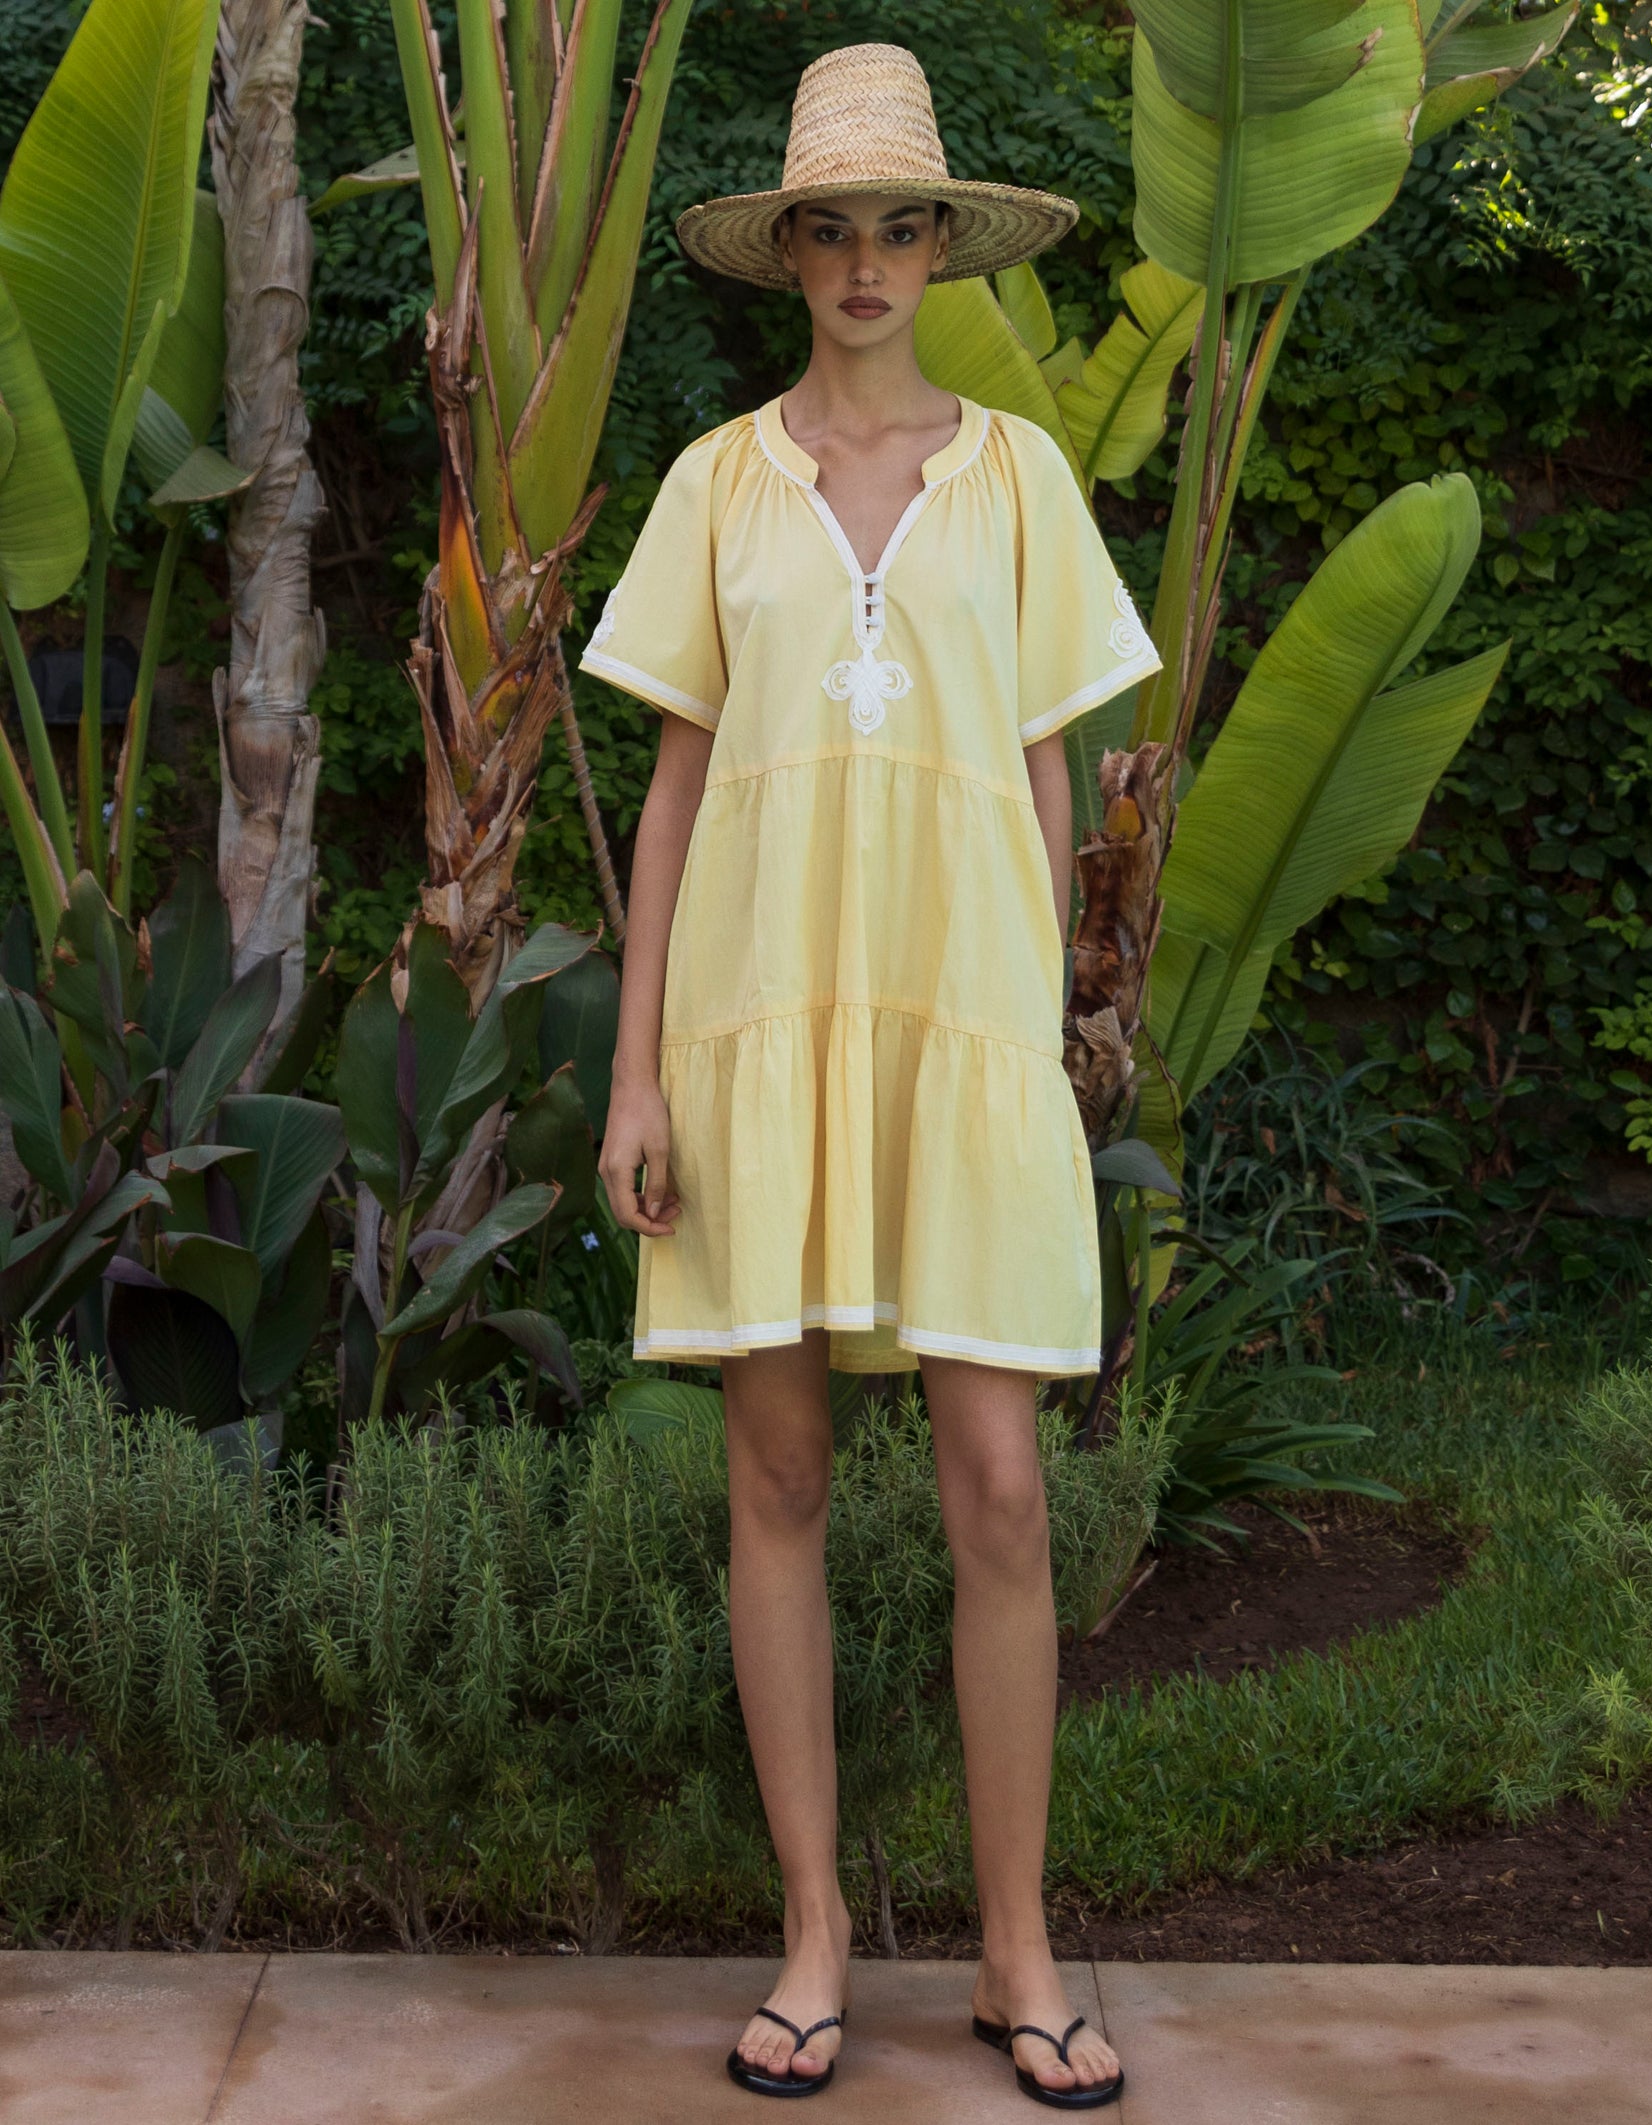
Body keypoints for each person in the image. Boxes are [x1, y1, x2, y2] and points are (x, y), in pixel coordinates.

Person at [585, 40, 1159, 2110]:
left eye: (894, 224)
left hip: (960, 1039)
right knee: (779, 1474)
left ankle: (1016, 1946)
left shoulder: (1012, 478)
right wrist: (636, 1072)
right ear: (789, 255)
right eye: (825, 227)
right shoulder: (710, 487)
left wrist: (1040, 1019)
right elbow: (667, 792)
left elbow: (1048, 772)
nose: (860, 262)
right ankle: (813, 1929)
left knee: (998, 1485)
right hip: (754, 1039)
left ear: (938, 244)